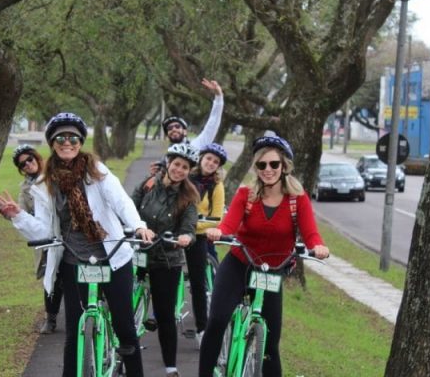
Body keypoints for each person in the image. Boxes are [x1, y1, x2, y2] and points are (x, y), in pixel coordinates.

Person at [0, 112, 154, 377]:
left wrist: (139, 226)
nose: (67, 142)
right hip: (74, 260)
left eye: (73, 137)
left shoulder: (97, 172)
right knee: (74, 333)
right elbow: (43, 230)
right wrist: (16, 214)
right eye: (61, 138)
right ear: (52, 143)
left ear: (80, 142)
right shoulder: (43, 184)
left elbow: (121, 201)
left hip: (111, 256)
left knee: (125, 329)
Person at [199, 135, 330, 377]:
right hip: (240, 264)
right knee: (216, 321)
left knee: (270, 343)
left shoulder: (297, 200)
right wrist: (220, 232)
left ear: (284, 166)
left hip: (272, 270)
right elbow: (229, 224)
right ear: (256, 167)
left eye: (273, 164)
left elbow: (311, 232)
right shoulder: (246, 195)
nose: (267, 170)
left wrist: (319, 247)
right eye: (262, 165)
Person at [131, 143, 200, 377]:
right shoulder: (148, 184)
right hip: (138, 252)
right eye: (176, 164)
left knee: (164, 314)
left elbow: (190, 227)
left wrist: (185, 237)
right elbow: (129, 209)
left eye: (185, 167)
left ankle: (171, 366)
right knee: (122, 308)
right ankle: (120, 356)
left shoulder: (188, 197)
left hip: (166, 259)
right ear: (168, 162)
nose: (179, 170)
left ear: (189, 171)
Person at [12, 144, 64, 334]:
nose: (27, 165)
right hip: (47, 237)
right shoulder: (25, 189)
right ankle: (50, 319)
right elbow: (22, 212)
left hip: (67, 231)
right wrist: (13, 214)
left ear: (37, 158)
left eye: (29, 159)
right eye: (22, 165)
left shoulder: (55, 175)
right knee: (52, 277)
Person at [186, 142, 227, 348]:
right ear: (201, 158)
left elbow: (217, 218)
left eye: (216, 162)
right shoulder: (186, 176)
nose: (211, 163)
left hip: (198, 236)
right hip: (177, 233)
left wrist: (193, 226)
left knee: (198, 283)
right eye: (209, 159)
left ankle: (202, 328)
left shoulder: (217, 186)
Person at [150, 79, 224, 175]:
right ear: (167, 135)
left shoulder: (197, 145)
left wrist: (219, 96)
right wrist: (155, 175)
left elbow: (213, 121)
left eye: (177, 126)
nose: (174, 129)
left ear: (185, 132)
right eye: (169, 128)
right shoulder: (167, 157)